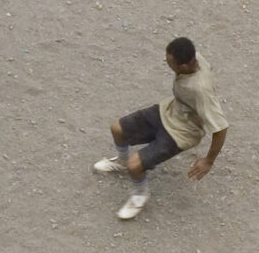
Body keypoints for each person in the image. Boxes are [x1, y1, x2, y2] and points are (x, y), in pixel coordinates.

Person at [94, 37, 229, 221]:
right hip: (169, 111)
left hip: (181, 133)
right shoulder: (194, 57)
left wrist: (208, 161)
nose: (166, 62)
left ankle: (140, 195)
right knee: (117, 129)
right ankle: (121, 162)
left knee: (136, 166)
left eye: (169, 62)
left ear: (183, 66)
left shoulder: (201, 91)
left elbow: (221, 128)